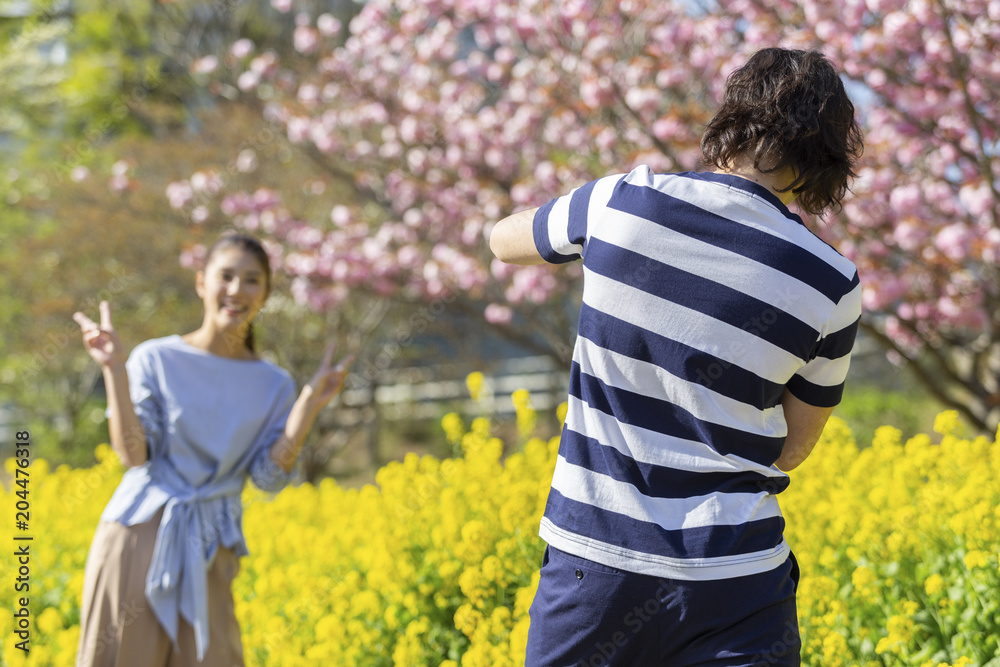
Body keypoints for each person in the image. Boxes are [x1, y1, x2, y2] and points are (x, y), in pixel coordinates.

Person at [489, 47, 863, 666]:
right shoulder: (832, 281)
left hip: (599, 566)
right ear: (822, 159)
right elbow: (795, 445)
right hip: (741, 584)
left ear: (731, 120)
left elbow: (504, 241)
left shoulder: (621, 203)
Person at [73, 232, 354, 666]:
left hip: (212, 546)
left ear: (266, 293)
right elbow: (134, 456)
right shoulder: (155, 359)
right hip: (140, 535)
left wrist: (306, 409)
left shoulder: (275, 383)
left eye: (251, 280)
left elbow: (266, 479)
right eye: (226, 276)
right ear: (201, 282)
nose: (237, 291)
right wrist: (114, 371)